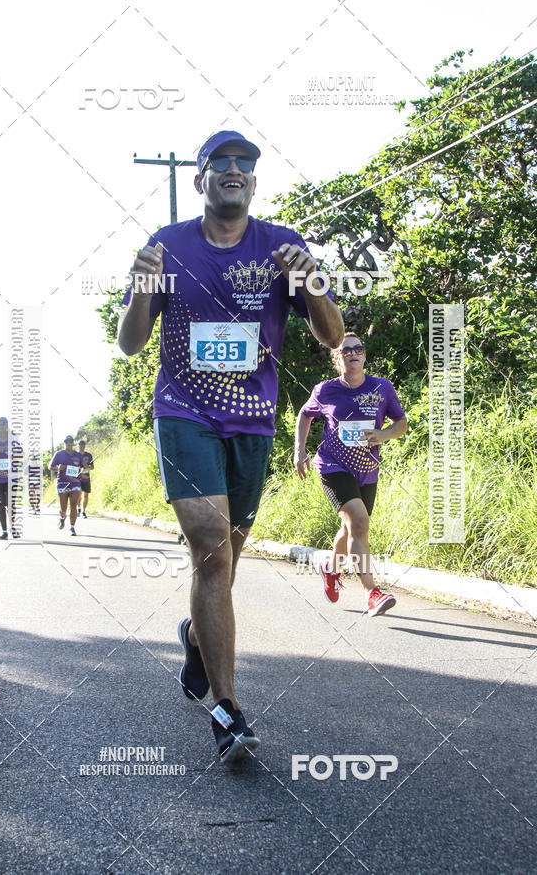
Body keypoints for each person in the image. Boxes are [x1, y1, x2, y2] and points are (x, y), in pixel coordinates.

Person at [118, 129, 344, 762]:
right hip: (184, 415)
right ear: (202, 179)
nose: (235, 169)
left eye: (246, 162)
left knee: (225, 562)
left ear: (254, 181)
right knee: (213, 554)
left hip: (251, 421)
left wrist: (312, 284)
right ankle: (227, 710)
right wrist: (142, 290)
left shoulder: (282, 246)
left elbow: (333, 337)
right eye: (222, 162)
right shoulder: (167, 246)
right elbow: (130, 344)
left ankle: (196, 636)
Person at [294, 333, 407, 615]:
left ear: (364, 355)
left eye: (358, 348)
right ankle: (372, 592)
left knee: (350, 528)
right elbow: (305, 414)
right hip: (333, 466)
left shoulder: (381, 387)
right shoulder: (326, 390)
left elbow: (401, 422)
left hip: (367, 470)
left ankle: (331, 568)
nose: (353, 353)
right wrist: (299, 450)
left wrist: (382, 435)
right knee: (358, 521)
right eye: (346, 350)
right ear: (337, 359)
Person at [49, 435, 83, 536]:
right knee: (63, 508)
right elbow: (50, 466)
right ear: (64, 443)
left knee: (73, 505)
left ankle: (72, 527)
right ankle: (62, 517)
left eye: (71, 441)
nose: (69, 443)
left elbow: (83, 466)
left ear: (73, 443)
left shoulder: (78, 455)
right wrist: (58, 468)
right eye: (67, 441)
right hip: (62, 483)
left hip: (75, 483)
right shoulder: (59, 454)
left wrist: (83, 469)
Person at [77, 440, 94, 518]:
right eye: (80, 445)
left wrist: (87, 466)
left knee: (86, 495)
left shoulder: (88, 455)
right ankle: (78, 508)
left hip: (86, 477)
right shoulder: (75, 455)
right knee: (78, 494)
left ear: (85, 446)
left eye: (83, 445)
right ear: (77, 446)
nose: (81, 446)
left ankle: (83, 511)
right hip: (77, 478)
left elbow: (92, 467)